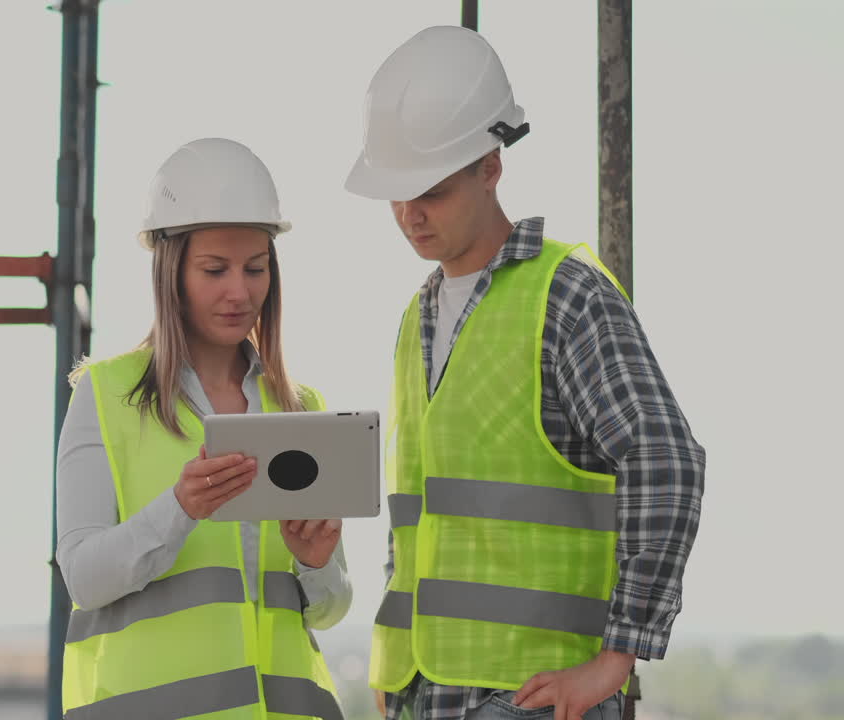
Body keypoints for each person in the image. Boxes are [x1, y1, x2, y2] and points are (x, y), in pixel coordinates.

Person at [343, 26, 706, 720]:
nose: (410, 215)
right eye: (396, 194)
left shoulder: (565, 295)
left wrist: (615, 660)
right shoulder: (416, 318)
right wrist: (395, 670)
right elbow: (418, 518)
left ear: (490, 166)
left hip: (531, 697)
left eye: (431, 190)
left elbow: (666, 462)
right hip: (426, 693)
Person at [56, 137, 352, 719]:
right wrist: (179, 509)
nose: (240, 292)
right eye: (215, 270)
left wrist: (316, 564)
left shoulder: (301, 408)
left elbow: (329, 610)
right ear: (171, 273)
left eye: (255, 268)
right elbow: (84, 579)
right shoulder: (106, 394)